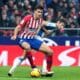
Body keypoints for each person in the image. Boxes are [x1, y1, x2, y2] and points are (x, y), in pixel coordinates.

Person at [8, 5, 65, 77]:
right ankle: (33, 67)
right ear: (34, 12)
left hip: (33, 39)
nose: (40, 13)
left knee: (50, 52)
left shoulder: (40, 20)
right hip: (23, 39)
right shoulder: (28, 18)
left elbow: (47, 24)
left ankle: (48, 70)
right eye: (38, 12)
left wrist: (57, 25)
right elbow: (18, 27)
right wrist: (15, 35)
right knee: (27, 48)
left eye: (41, 12)